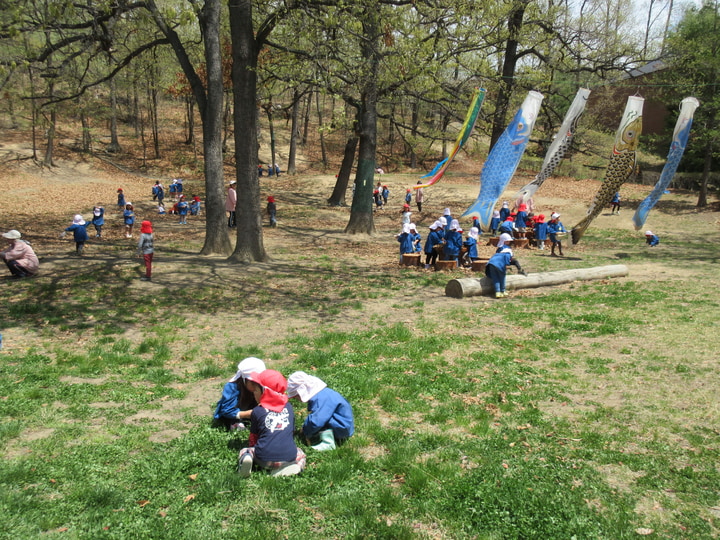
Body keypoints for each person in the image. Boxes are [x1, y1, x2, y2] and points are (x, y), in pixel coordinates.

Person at [237, 370, 306, 478]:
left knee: (245, 451)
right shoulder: (288, 407)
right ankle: (295, 467)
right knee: (300, 453)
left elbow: (253, 438)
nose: (253, 393)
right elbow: (291, 430)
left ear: (265, 392)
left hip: (263, 459)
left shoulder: (257, 411)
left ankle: (247, 459)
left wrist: (253, 448)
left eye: (255, 390)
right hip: (288, 457)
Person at [287, 371, 355, 451]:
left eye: (296, 397)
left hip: (341, 427)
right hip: (344, 423)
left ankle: (328, 443)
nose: (298, 400)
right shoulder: (321, 394)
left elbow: (317, 420)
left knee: (320, 420)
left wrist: (306, 431)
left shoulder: (321, 399)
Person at [214, 357, 266, 430]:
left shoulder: (261, 386)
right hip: (235, 414)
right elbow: (226, 410)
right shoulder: (232, 387)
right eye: (253, 384)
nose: (257, 387)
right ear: (244, 379)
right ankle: (236, 423)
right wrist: (247, 414)